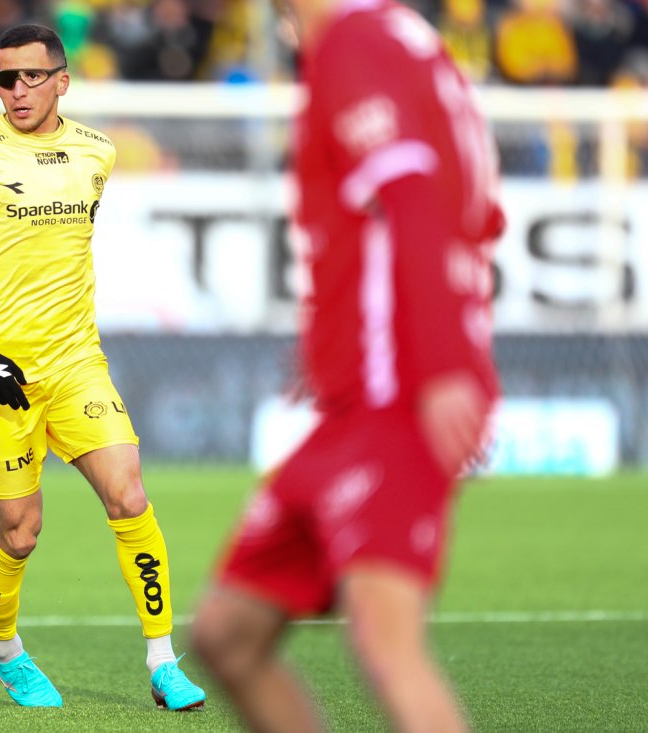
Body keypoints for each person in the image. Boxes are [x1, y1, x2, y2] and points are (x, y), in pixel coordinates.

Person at [190, 0, 505, 731]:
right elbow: (456, 213)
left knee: (388, 646)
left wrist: (442, 366)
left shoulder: (352, 46)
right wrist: (333, 343)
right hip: (353, 402)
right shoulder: (398, 39)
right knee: (226, 635)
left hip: (392, 399)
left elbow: (411, 198)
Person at [0, 23, 206, 712]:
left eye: (29, 77)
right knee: (19, 533)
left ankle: (163, 658)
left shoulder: (97, 153)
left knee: (129, 494)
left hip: (77, 361)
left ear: (62, 81)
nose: (16, 90)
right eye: (4, 78)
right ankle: (4, 644)